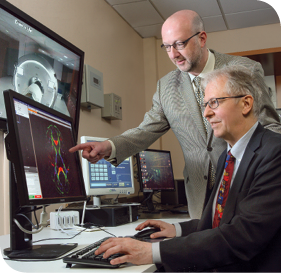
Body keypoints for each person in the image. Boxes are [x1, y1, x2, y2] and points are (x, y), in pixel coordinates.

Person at [70, 10, 281, 219]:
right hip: (198, 192)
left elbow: (271, 129)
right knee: (200, 246)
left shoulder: (244, 69)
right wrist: (109, 146)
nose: (173, 54)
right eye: (167, 47)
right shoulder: (166, 87)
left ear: (202, 38)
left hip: (242, 182)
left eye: (179, 44)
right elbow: (146, 130)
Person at [94, 66, 281, 273]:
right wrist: (177, 229)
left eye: (214, 103)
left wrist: (153, 251)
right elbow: (220, 222)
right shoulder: (226, 158)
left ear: (246, 103)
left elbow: (243, 235)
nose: (207, 113)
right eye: (205, 105)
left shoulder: (275, 152)